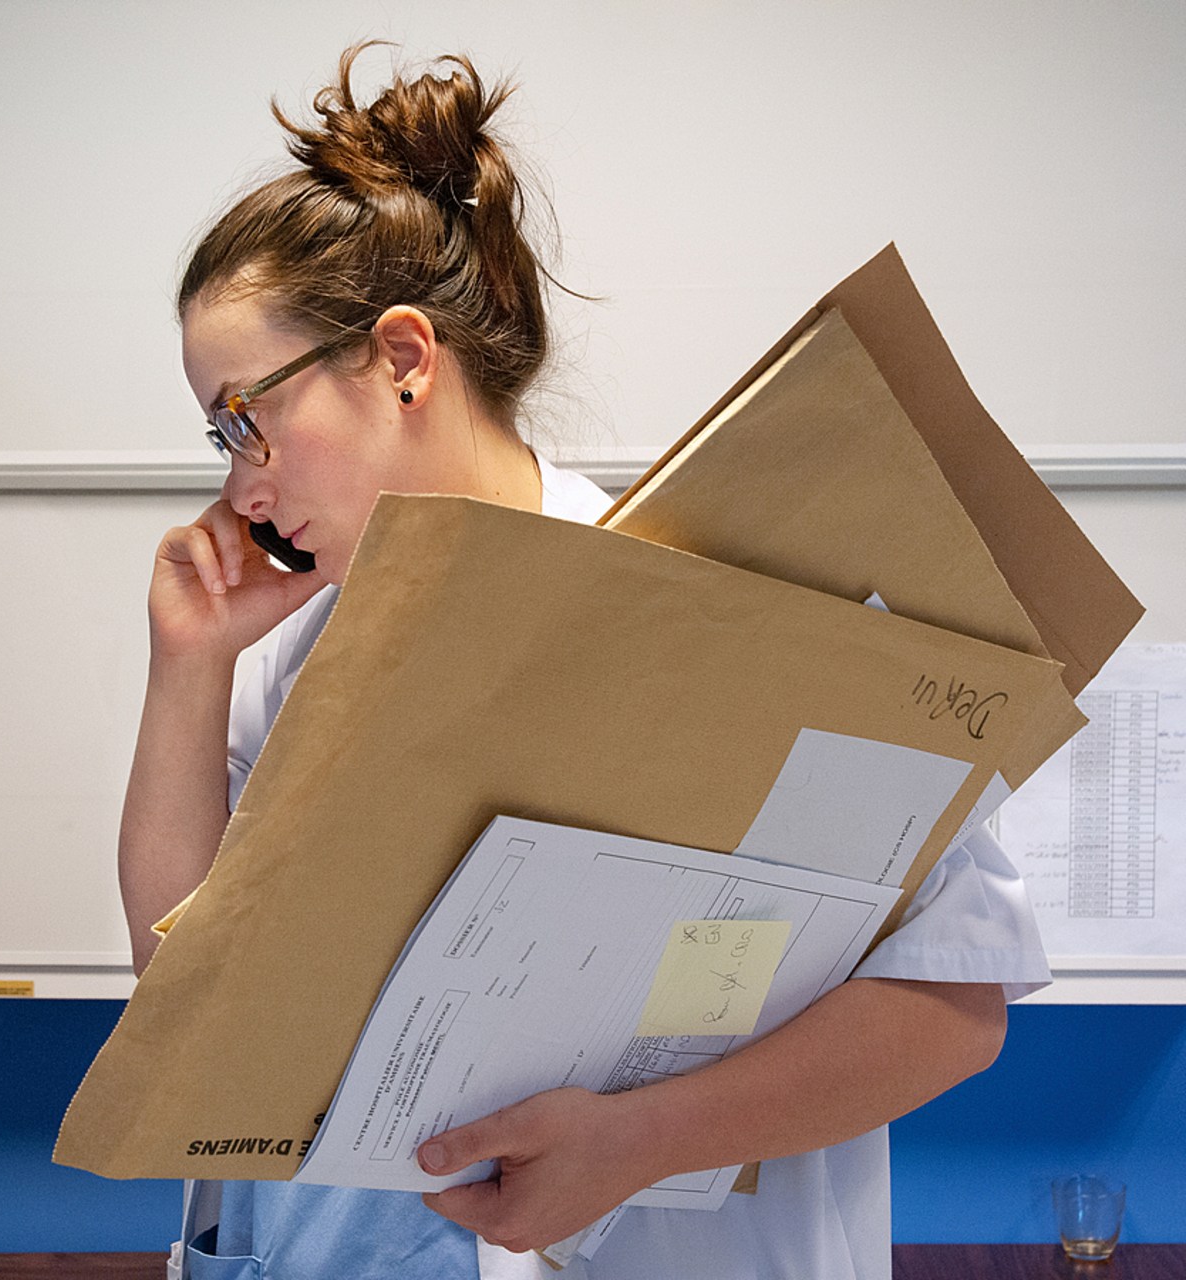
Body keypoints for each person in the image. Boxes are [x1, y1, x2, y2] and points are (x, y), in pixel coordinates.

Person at [118, 45, 1052, 1280]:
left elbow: (954, 1003)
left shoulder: (731, 595)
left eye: (249, 417)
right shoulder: (298, 655)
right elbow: (183, 1001)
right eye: (216, 434)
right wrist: (184, 669)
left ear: (401, 360)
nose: (238, 483)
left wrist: (637, 1140)